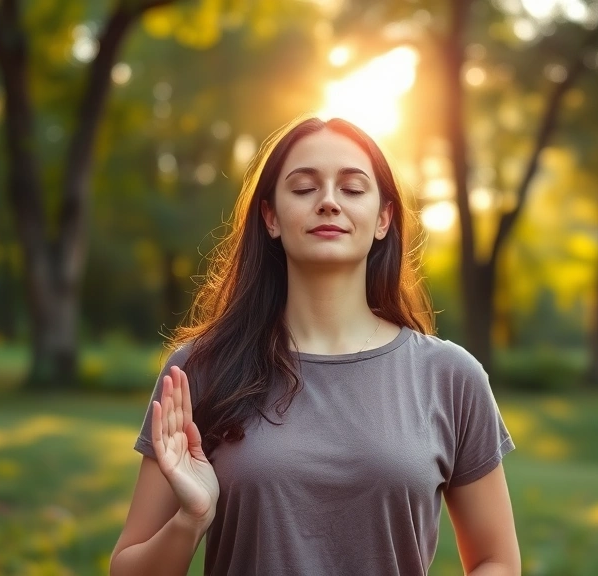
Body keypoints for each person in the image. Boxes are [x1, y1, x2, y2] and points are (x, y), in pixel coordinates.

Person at [110, 116, 519, 576]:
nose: (328, 202)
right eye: (304, 188)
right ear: (270, 217)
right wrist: (192, 518)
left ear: (383, 218)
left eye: (352, 189)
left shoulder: (451, 376)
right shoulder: (199, 371)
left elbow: (497, 560)